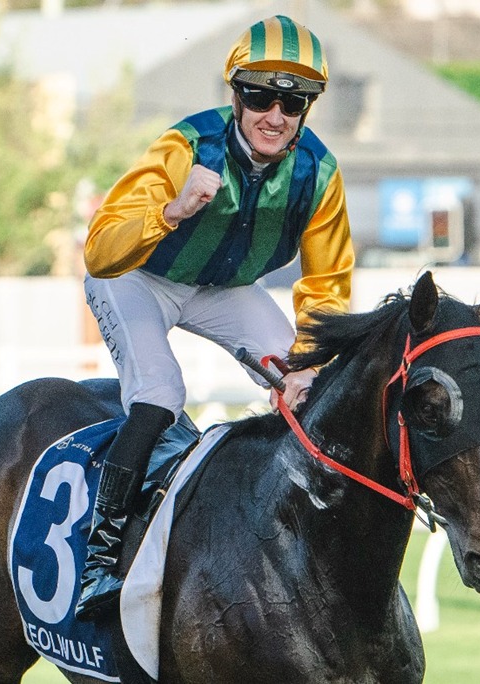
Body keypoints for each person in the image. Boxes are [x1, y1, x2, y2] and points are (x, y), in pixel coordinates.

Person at [76, 14, 355, 621]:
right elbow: (99, 248)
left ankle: (303, 541)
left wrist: (304, 364)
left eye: (293, 100)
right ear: (235, 93)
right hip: (136, 275)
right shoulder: (186, 145)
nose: (275, 115)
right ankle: (99, 560)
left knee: (313, 387)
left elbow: (326, 288)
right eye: (260, 95)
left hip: (222, 288)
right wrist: (171, 212)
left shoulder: (320, 174)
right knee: (159, 392)